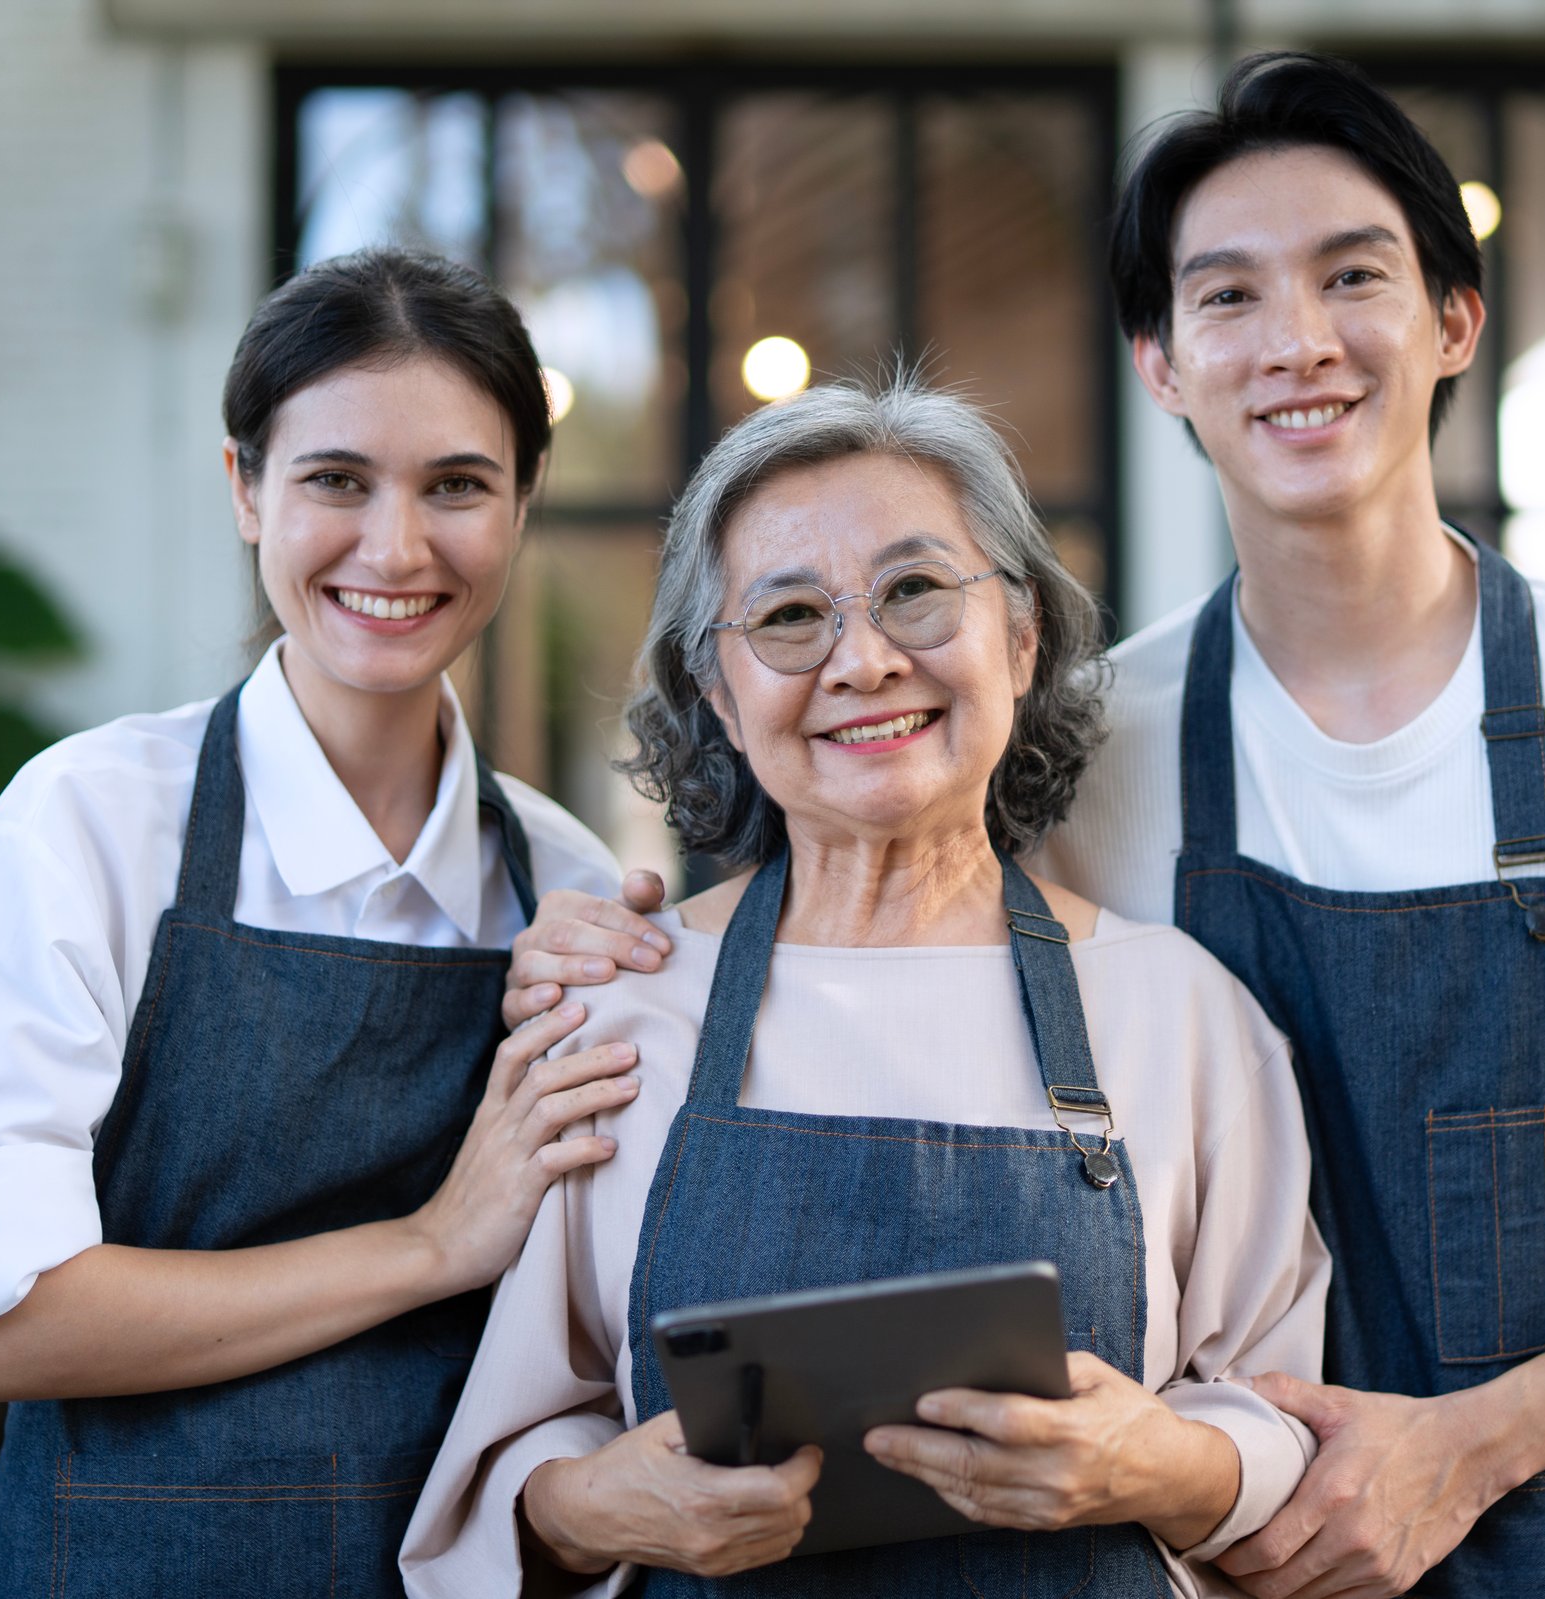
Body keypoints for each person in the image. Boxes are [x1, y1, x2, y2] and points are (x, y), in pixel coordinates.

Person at [504, 54, 1545, 1599]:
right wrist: (618, 935)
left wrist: (1471, 1444)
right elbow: (917, 988)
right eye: (1227, 296)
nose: (1298, 340)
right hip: (1233, 1555)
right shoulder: (1093, 741)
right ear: (1160, 363)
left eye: (1353, 274)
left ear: (1455, 318)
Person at [397, 379, 1330, 1596]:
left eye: (916, 591)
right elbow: (516, 1467)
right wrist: (595, 1503)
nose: (865, 660)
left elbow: (1279, 1422)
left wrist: (1160, 1467)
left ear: (1023, 637)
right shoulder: (622, 1013)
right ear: (722, 699)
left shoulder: (1180, 1013)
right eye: (789, 617)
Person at [0, 248, 657, 1598]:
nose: (396, 547)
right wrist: (427, 1244)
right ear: (244, 490)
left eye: (458, 484)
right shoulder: (95, 827)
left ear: (523, 506)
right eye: (335, 479)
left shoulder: (567, 887)